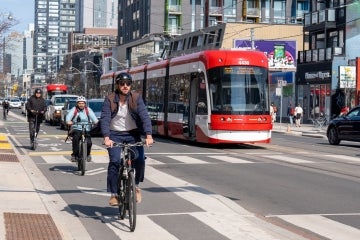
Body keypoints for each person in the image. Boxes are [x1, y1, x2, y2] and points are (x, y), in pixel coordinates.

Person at [101, 72, 153, 206]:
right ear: (117, 85)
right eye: (122, 83)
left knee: (140, 159)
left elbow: (144, 116)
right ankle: (114, 194)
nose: (125, 86)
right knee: (115, 161)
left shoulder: (136, 98)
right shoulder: (110, 99)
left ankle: (135, 186)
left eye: (128, 84)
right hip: (114, 134)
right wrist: (106, 137)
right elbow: (105, 119)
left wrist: (148, 135)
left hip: (133, 134)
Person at [66, 96, 99, 162]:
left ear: (85, 104)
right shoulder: (74, 109)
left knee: (89, 142)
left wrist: (96, 123)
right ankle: (74, 155)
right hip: (77, 128)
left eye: (83, 103)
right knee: (75, 139)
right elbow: (68, 118)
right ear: (77, 104)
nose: (81, 105)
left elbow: (94, 119)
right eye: (79, 103)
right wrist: (69, 122)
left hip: (87, 128)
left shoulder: (88, 110)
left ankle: (88, 154)